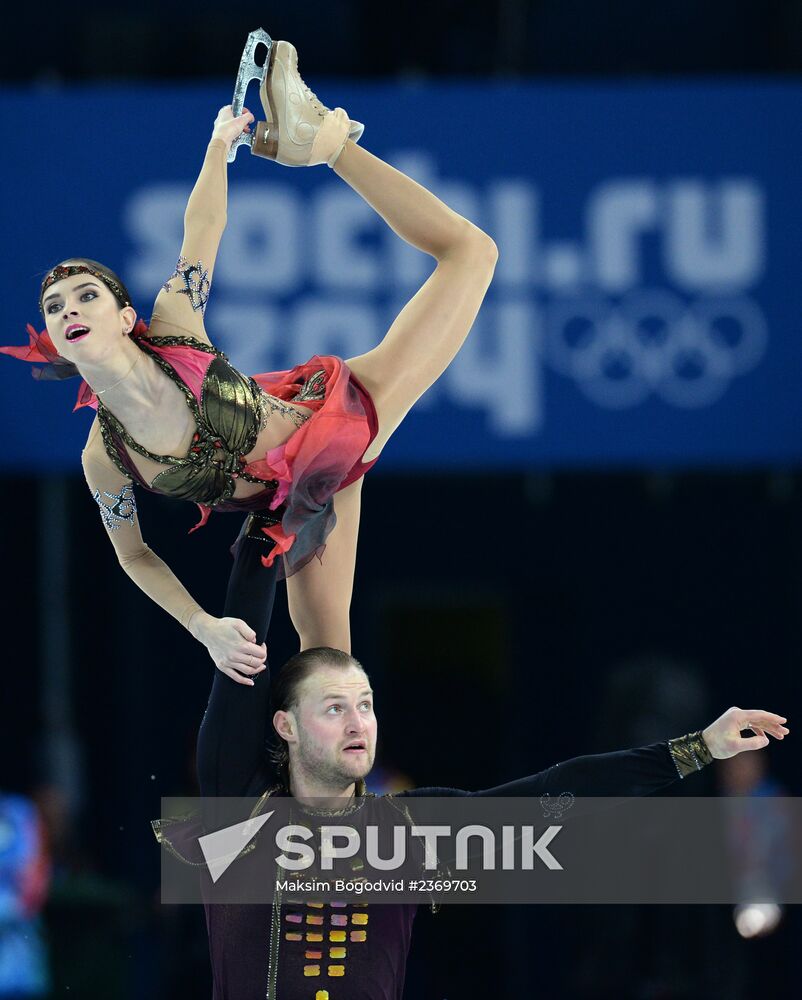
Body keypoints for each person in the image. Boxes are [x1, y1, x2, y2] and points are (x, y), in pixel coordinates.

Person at [1, 39, 498, 679]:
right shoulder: (104, 456)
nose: (68, 309)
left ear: (126, 318)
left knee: (472, 252)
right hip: (300, 507)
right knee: (330, 669)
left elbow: (201, 230)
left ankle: (331, 145)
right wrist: (203, 626)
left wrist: (218, 150)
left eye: (86, 295)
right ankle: (333, 782)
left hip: (338, 420)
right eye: (54, 305)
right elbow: (134, 555)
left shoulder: (176, 325)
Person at [154, 531, 790, 1000]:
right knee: (323, 614)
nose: (358, 724)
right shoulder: (236, 808)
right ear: (285, 726)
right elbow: (241, 643)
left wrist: (701, 746)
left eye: (367, 706)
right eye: (334, 709)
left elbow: (558, 791)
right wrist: (267, 523)